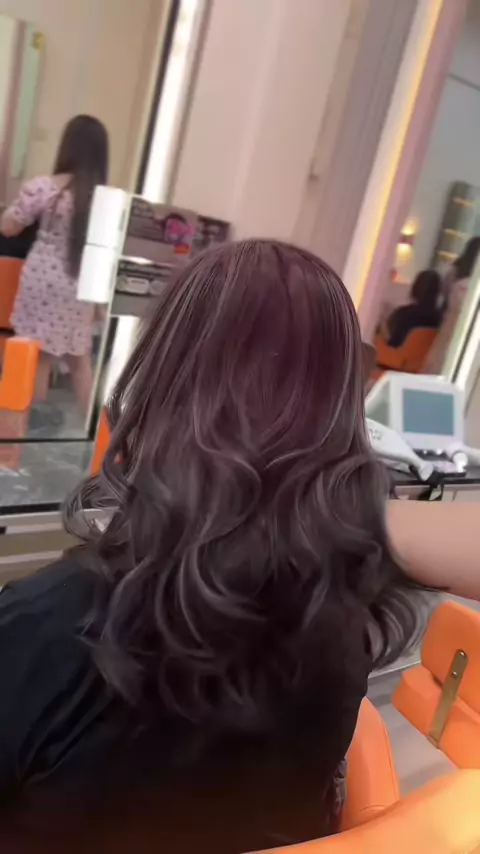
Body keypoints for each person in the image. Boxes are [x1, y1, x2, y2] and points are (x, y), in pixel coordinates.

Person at [0, 240, 478, 853]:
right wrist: (328, 510)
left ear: (163, 376)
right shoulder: (339, 627)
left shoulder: (45, 628)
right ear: (340, 408)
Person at [0, 115, 109, 415]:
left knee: (38, 356)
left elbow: (9, 227)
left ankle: (27, 425)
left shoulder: (45, 188)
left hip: (43, 280)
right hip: (79, 285)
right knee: (80, 361)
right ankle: (96, 428)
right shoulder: (102, 201)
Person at [423, 236, 480, 374]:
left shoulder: (455, 274)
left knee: (439, 360)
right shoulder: (470, 285)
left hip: (449, 322)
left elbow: (443, 294)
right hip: (464, 330)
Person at [385, 269, 441, 348]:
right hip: (421, 356)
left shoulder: (404, 314)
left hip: (395, 354)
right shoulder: (438, 320)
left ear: (416, 287)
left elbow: (393, 343)